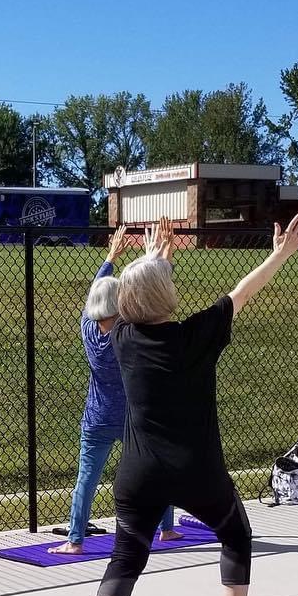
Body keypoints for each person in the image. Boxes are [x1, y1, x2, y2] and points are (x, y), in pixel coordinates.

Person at [67, 213, 298, 596]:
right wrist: (280, 253)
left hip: (139, 475)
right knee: (236, 533)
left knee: (126, 557)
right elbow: (243, 292)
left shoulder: (121, 338)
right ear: (168, 296)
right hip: (197, 470)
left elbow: (135, 295)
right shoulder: (196, 336)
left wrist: (153, 256)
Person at [51, 220, 179, 555]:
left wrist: (110, 257)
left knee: (87, 479)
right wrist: (161, 258)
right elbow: (149, 297)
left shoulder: (88, 329)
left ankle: (74, 540)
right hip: (133, 417)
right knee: (156, 471)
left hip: (97, 417)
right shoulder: (129, 332)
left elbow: (98, 292)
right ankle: (166, 529)